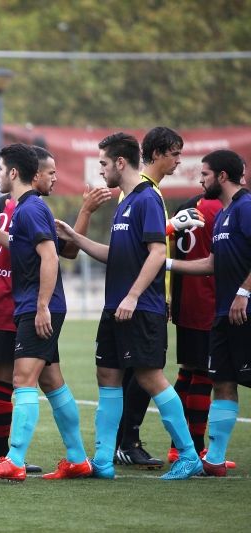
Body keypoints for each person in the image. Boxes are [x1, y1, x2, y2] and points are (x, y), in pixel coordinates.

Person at [56, 132, 202, 480]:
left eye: (104, 163)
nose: (102, 170)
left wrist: (134, 296)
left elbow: (157, 252)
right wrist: (75, 237)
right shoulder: (125, 201)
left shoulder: (148, 198)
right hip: (115, 308)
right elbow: (117, 254)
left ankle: (188, 454)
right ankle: (104, 461)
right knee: (106, 376)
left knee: (150, 377)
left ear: (120, 163)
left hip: (139, 307)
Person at [0, 146, 110, 471]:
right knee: (52, 382)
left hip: (38, 308)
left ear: (14, 173)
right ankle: (77, 459)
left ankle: (13, 460)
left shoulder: (30, 209)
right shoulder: (26, 208)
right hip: (36, 306)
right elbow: (20, 245)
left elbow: (51, 256)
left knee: (21, 379)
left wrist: (42, 306)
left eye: (1, 168)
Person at [168, 149, 249, 477]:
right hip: (222, 315)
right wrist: (166, 263)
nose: (200, 180)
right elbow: (213, 264)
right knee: (223, 383)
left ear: (222, 176)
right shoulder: (225, 213)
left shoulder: (245, 207)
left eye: (204, 174)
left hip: (244, 311)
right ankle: (214, 459)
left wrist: (244, 292)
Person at [114, 126, 183, 468]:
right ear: (156, 154)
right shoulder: (143, 193)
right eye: (174, 154)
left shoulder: (144, 192)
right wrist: (135, 294)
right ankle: (130, 442)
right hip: (139, 300)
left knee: (134, 372)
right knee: (143, 372)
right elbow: (151, 249)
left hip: (147, 297)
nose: (178, 162)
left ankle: (120, 443)